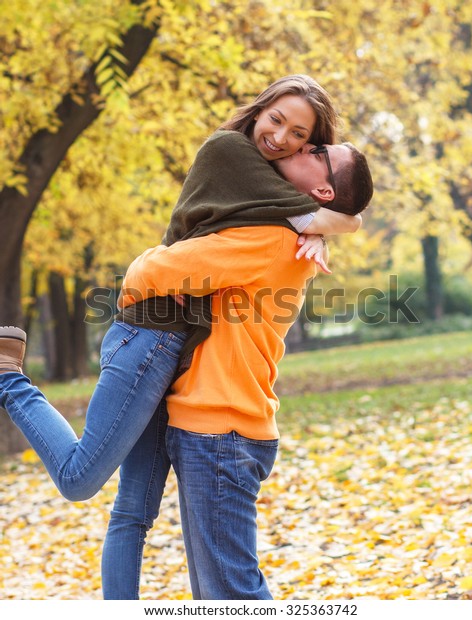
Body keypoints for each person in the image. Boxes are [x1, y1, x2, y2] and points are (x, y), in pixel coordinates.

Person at [0, 79, 366, 503]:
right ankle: (9, 377)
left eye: (300, 136)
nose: (281, 138)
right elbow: (312, 217)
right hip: (153, 327)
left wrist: (327, 223)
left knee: (134, 509)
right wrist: (341, 222)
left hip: (179, 336)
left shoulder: (270, 185)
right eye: (276, 120)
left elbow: (306, 215)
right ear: (259, 110)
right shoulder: (230, 150)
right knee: (81, 479)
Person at [114, 139, 373, 600]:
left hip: (220, 429)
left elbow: (143, 276)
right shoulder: (281, 234)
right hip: (224, 426)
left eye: (321, 155)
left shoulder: (268, 239)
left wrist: (154, 263)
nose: (307, 147)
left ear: (324, 193)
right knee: (219, 594)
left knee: (232, 595)